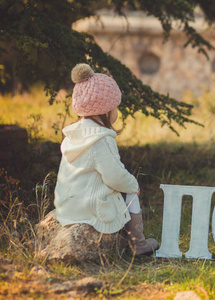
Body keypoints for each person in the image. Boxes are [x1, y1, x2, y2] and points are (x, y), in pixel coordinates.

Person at [54, 63, 159, 256]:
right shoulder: (100, 140)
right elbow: (114, 176)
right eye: (115, 107)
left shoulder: (72, 136)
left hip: (66, 207)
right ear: (106, 110)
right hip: (90, 210)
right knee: (130, 191)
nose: (117, 111)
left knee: (122, 188)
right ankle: (139, 243)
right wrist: (133, 184)